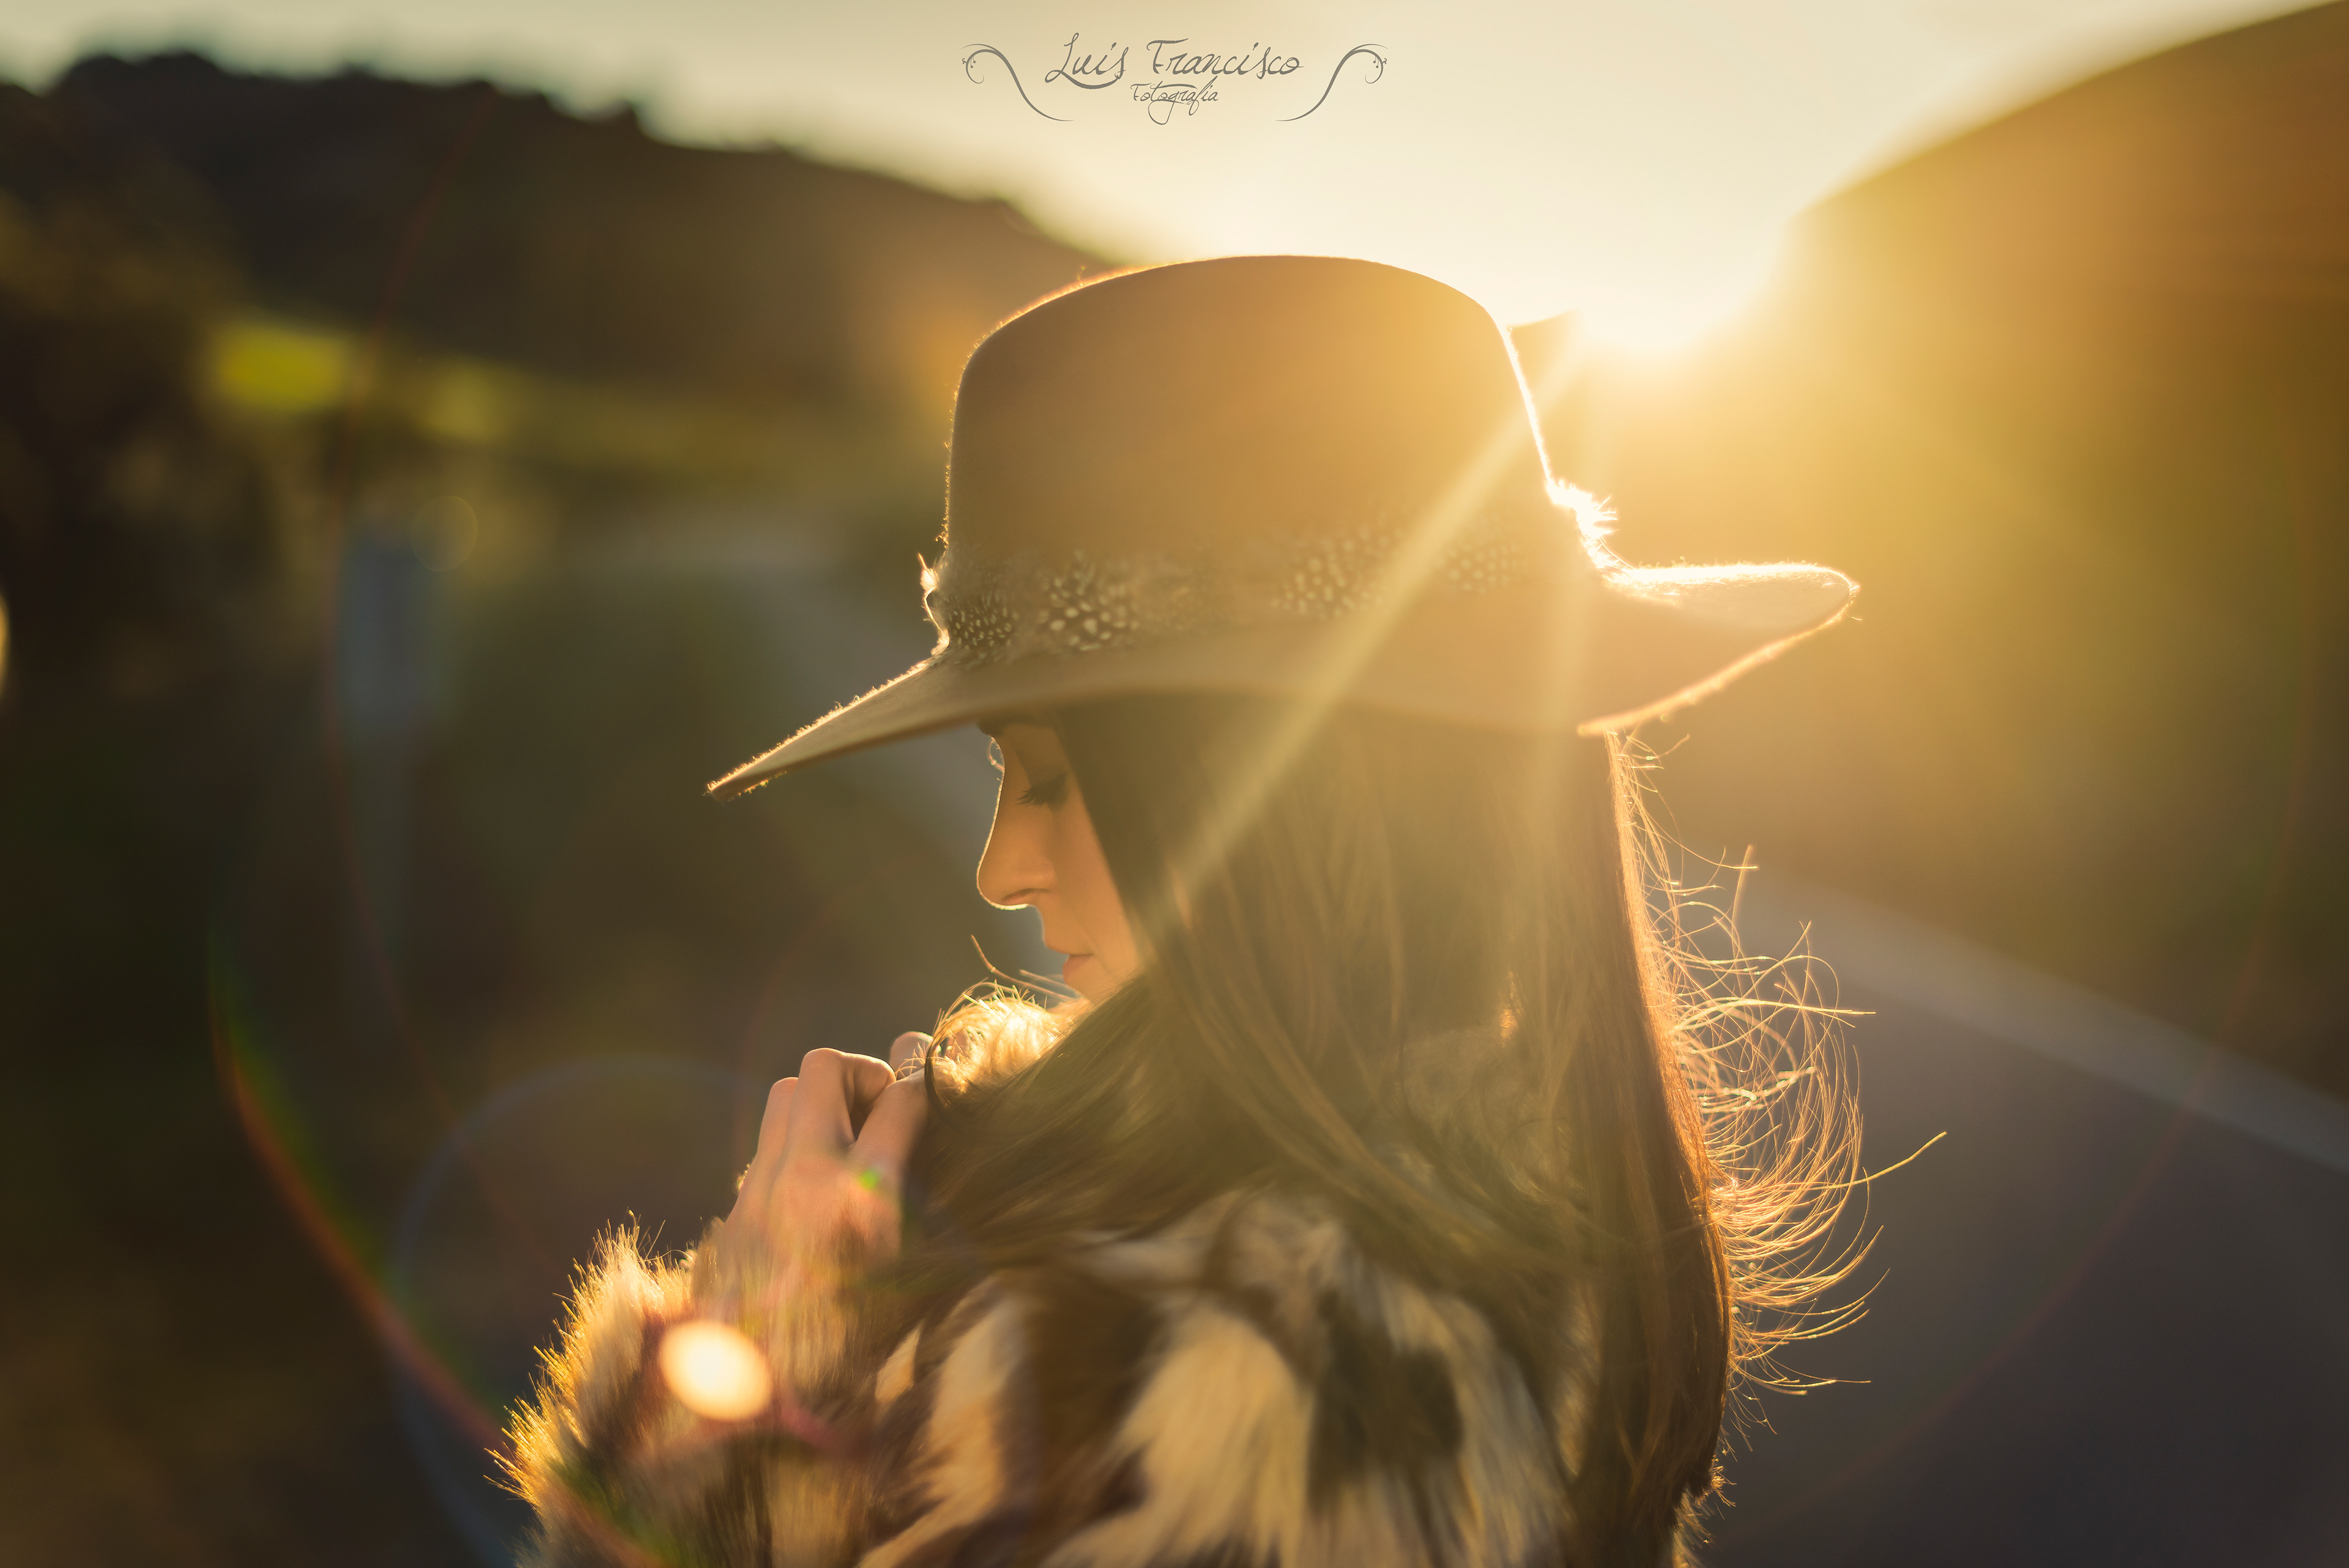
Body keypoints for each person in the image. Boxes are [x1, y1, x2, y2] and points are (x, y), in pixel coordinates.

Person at [506, 256, 1859, 1567]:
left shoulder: (1192, 1404)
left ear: (1285, 796)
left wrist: (744, 1410)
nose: (1002, 868)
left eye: (1051, 777)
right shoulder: (1551, 1252)